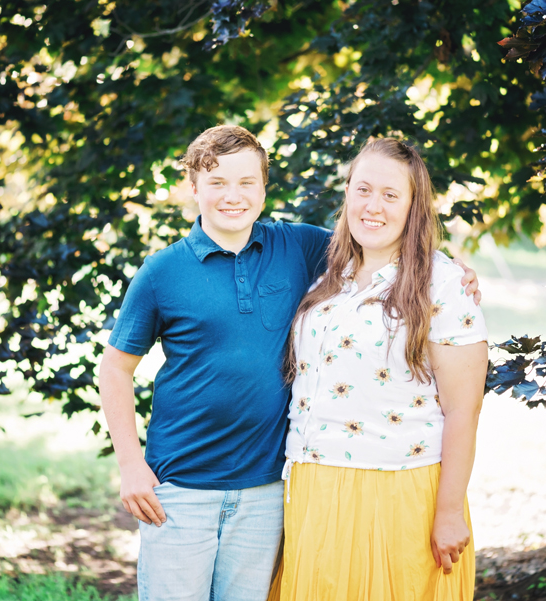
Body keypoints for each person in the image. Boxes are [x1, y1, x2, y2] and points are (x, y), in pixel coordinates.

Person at [98, 126, 481, 601]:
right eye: (216, 182)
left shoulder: (299, 247)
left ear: (264, 188)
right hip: (182, 486)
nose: (233, 196)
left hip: (267, 490)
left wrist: (453, 269)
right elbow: (114, 368)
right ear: (193, 188)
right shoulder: (162, 272)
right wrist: (131, 465)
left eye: (247, 182)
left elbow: (387, 243)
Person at [275, 137, 488, 600]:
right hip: (311, 486)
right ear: (347, 192)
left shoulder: (444, 284)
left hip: (399, 491)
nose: (374, 206)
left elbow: (463, 410)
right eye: (363, 189)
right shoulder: (325, 273)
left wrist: (450, 511)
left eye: (391, 195)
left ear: (414, 206)